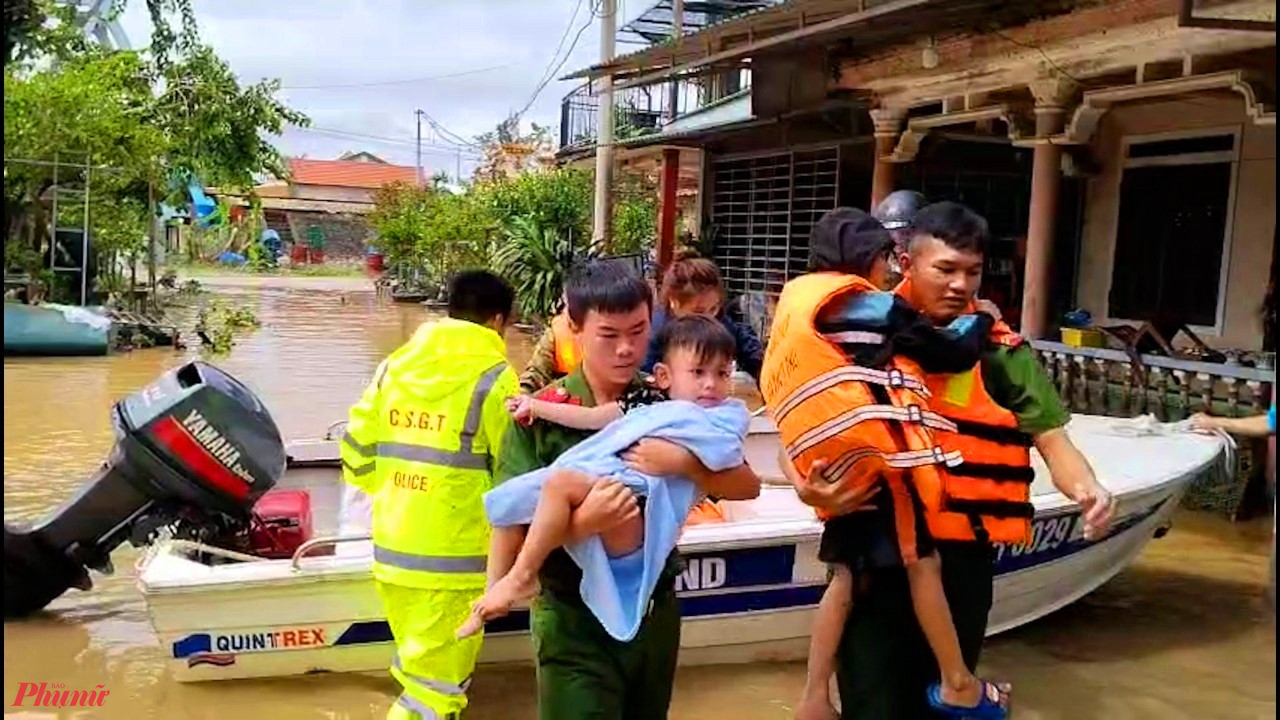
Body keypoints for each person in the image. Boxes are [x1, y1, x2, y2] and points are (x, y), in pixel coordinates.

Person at [783, 201, 1116, 720]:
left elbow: (1052, 437)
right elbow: (797, 422)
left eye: (973, 272)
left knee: (943, 709)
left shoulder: (1001, 351)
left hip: (959, 560)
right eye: (945, 269)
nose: (960, 285)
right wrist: (805, 487)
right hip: (875, 551)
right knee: (870, 706)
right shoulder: (854, 332)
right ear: (907, 263)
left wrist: (1087, 488)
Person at [764, 208, 1010, 720]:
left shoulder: (797, 306)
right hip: (879, 475)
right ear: (875, 261)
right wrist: (984, 318)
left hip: (834, 467)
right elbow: (951, 352)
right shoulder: (866, 308)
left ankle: (813, 695)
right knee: (924, 563)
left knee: (844, 580)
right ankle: (957, 682)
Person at [491, 260, 761, 720]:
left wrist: (685, 463)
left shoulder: (670, 401)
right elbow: (510, 522)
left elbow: (745, 484)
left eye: (637, 332)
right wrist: (583, 523)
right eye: (609, 335)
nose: (626, 349)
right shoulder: (541, 414)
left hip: (656, 612)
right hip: (574, 620)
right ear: (574, 328)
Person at [457, 315, 749, 640]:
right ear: (663, 377)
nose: (710, 384)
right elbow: (591, 419)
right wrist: (536, 407)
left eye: (722, 373)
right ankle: (492, 591)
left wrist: (683, 461)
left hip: (639, 508)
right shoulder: (644, 401)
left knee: (557, 483)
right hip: (607, 481)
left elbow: (731, 461)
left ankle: (522, 575)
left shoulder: (723, 417)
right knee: (512, 499)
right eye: (698, 372)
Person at [340, 269, 520, 720]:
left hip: (393, 551)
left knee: (419, 676)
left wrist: (397, 497)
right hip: (452, 564)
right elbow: (514, 477)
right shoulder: (496, 379)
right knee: (436, 694)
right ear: (498, 322)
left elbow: (358, 451)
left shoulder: (393, 366)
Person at [641, 252, 766, 384]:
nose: (708, 318)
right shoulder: (655, 332)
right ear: (674, 302)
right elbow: (646, 376)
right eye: (698, 311)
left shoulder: (718, 320)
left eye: (713, 309)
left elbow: (745, 344)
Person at [519, 293, 581, 393]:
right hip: (565, 395)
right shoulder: (557, 330)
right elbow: (538, 371)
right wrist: (523, 392)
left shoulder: (610, 332)